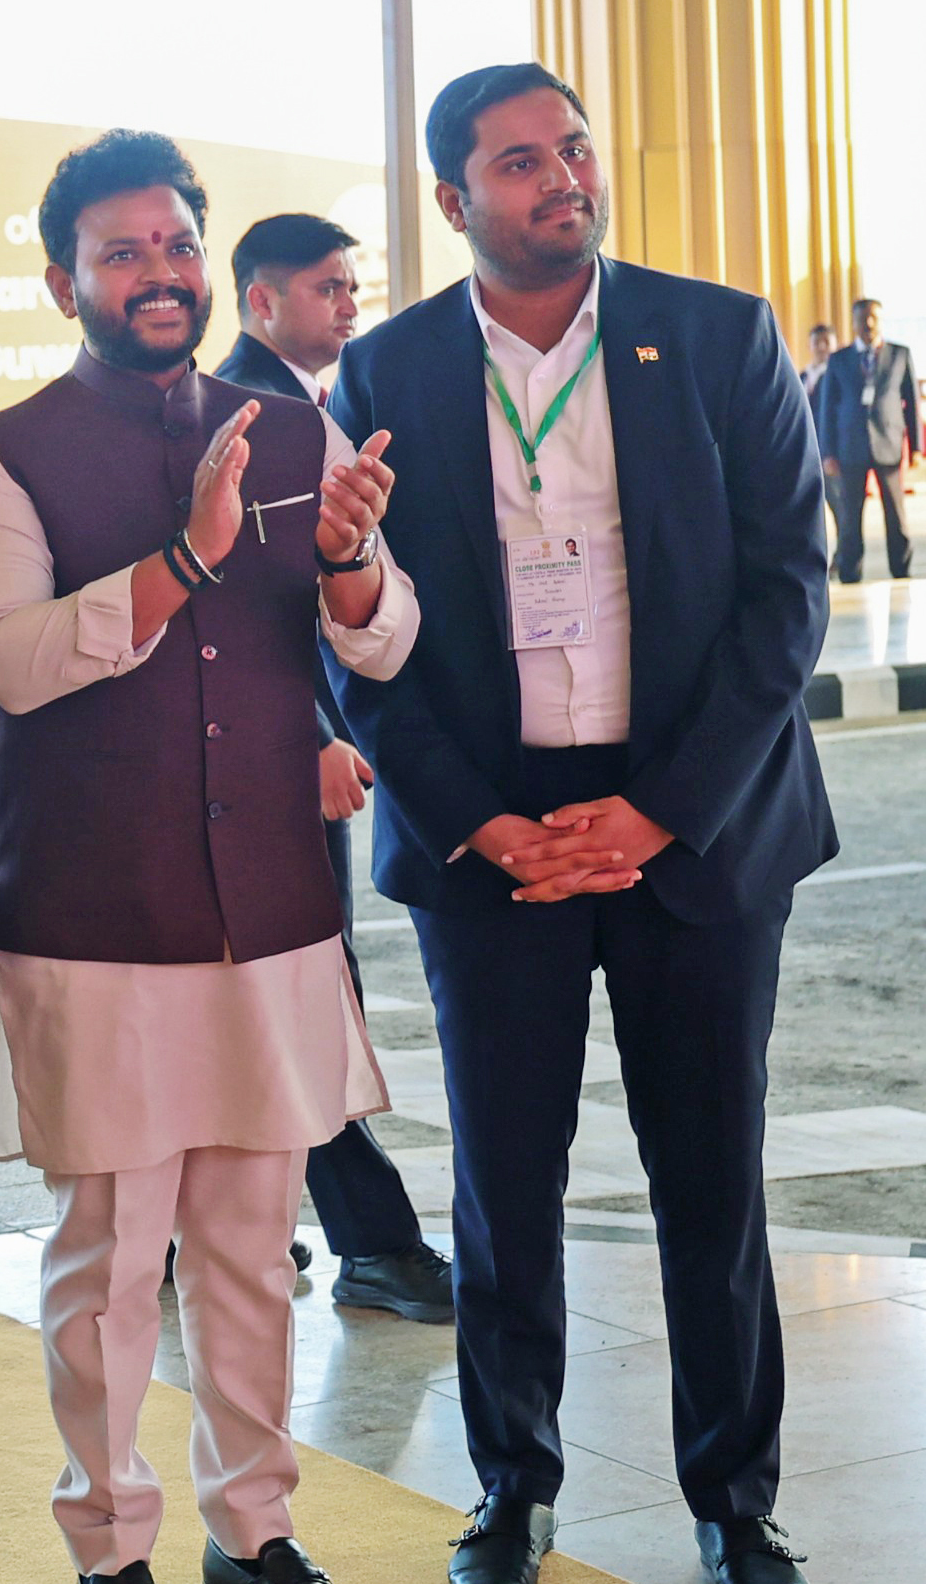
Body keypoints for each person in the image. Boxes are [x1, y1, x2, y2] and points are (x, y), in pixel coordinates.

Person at [331, 63, 835, 1584]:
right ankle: (513, 1489)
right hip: (496, 844)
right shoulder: (394, 371)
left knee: (710, 1174)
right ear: (452, 201)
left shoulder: (723, 334)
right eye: (519, 161)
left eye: (573, 147)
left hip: (697, 820)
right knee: (506, 1182)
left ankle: (734, 1498)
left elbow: (784, 599)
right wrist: (486, 824)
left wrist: (659, 811)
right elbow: (362, 636)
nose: (563, 176)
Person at [0, 131, 413, 1584]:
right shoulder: (0, 452)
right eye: (123, 251)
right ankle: (109, 1540)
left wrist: (349, 563)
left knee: (253, 1251)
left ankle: (255, 1529)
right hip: (95, 919)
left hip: (269, 908)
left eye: (176, 246)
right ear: (63, 275)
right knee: (107, 1261)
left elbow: (381, 640)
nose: (158, 273)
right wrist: (186, 558)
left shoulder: (300, 436)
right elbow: (14, 664)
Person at [214, 214, 455, 1326]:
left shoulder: (300, 412)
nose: (348, 303)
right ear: (258, 302)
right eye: (324, 287)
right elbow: (247, 617)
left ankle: (195, 1228)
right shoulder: (247, 422)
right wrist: (310, 737)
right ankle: (376, 1241)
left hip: (288, 752)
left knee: (272, 998)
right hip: (267, 767)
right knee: (304, 999)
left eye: (351, 283)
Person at [813, 297, 914, 581]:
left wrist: (915, 448)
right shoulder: (839, 359)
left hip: (889, 446)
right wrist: (827, 452)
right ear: (854, 322)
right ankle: (850, 570)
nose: (868, 324)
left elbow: (911, 402)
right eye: (862, 319)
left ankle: (901, 569)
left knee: (896, 514)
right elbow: (827, 408)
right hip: (849, 449)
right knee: (849, 516)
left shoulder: (900, 354)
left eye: (873, 318)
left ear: (880, 320)